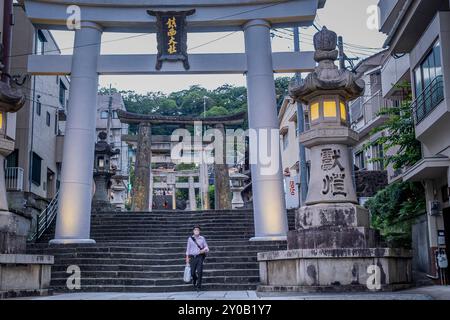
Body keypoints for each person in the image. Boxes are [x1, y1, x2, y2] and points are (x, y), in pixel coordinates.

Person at [185, 226, 209, 291]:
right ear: (193, 231)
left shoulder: (202, 238)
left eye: (197, 230)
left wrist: (203, 250)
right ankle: (195, 279)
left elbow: (207, 248)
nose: (196, 231)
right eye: (195, 230)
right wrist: (187, 258)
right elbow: (188, 249)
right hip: (192, 257)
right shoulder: (190, 239)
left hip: (200, 257)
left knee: (199, 271)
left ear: (199, 231)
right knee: (192, 273)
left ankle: (199, 286)